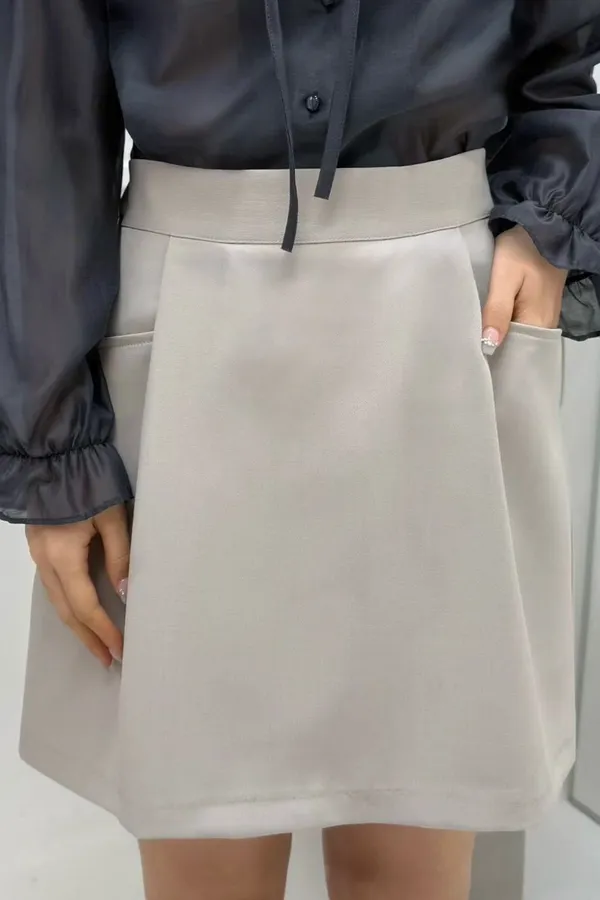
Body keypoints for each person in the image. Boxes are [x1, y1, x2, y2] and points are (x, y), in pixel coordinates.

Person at [1, 2, 600, 899]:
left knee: (415, 845)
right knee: (208, 847)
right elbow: (40, 121)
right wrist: (51, 452)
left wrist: (546, 228)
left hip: (446, 324)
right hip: (190, 330)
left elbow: (562, 57)